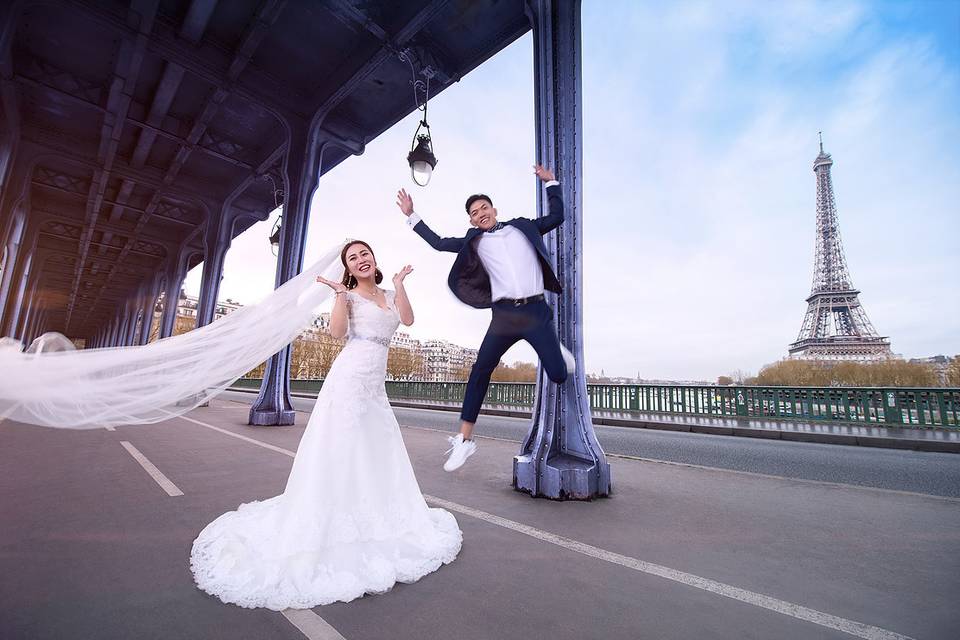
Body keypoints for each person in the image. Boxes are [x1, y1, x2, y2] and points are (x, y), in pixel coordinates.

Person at [190, 240, 461, 610]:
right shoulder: (347, 295)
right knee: (342, 449)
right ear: (347, 268)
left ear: (374, 258)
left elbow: (408, 320)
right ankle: (332, 520)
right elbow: (335, 334)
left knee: (376, 451)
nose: (361, 260)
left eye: (365, 253)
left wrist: (399, 285)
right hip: (349, 379)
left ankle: (373, 515)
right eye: (353, 258)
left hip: (374, 387)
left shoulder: (387, 293)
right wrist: (339, 296)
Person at [396, 165, 574, 472]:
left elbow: (558, 218)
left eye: (483, 208)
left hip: (535, 312)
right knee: (480, 370)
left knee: (558, 374)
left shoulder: (523, 227)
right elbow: (438, 243)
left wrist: (551, 184)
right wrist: (412, 215)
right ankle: (464, 442)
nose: (480, 214)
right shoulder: (473, 240)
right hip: (504, 315)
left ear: (493, 209)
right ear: (471, 220)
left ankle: (556, 353)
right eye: (474, 213)